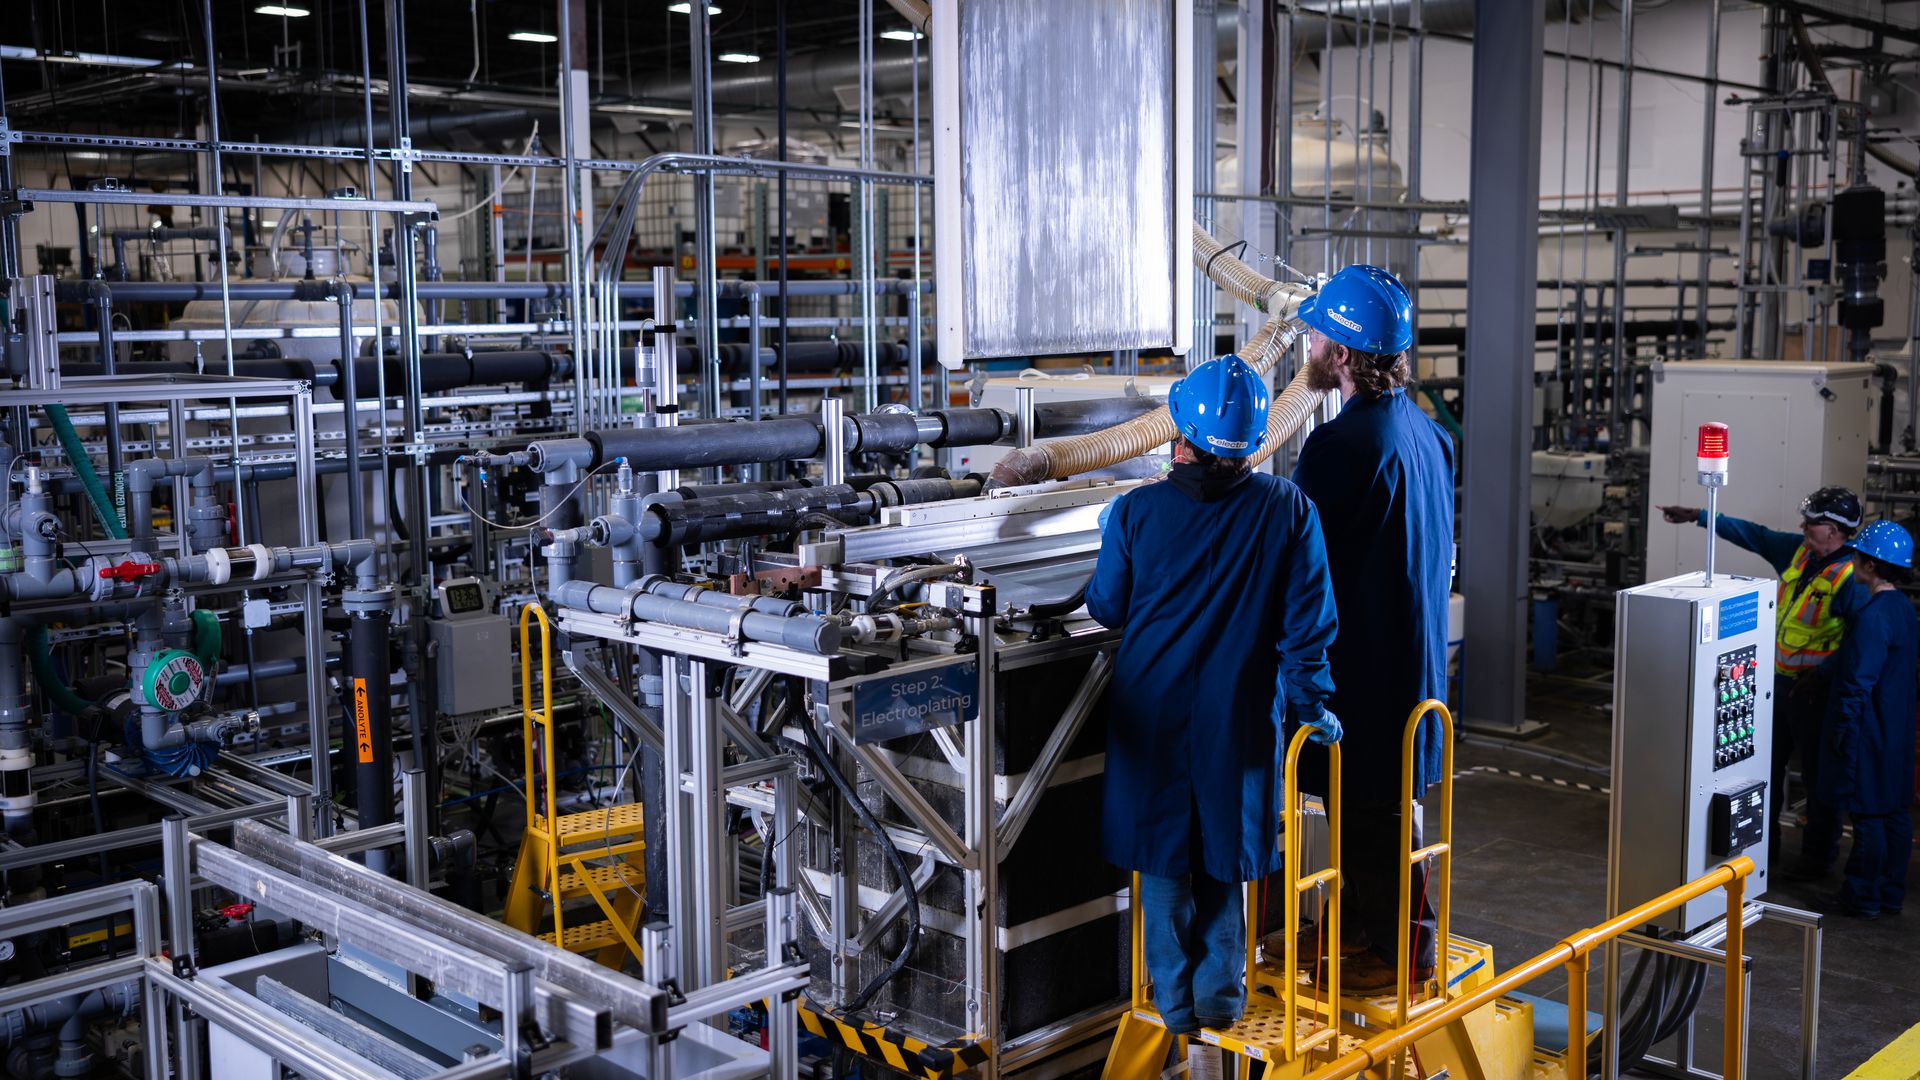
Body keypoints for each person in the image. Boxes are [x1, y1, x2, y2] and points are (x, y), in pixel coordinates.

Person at [1086, 354, 1341, 1041]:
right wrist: (1311, 706)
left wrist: (1116, 537)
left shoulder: (1136, 511)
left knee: (1164, 861)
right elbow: (1308, 626)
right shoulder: (1287, 508)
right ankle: (1220, 1001)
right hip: (1240, 715)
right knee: (1225, 858)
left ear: (1181, 436)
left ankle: (1175, 1008)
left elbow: (1106, 607)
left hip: (1151, 713)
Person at [1290, 264, 1455, 997]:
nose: (1310, 347)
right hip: (1417, 669)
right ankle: (1360, 930)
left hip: (1363, 677)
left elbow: (1302, 568)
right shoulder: (1426, 434)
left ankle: (1400, 955)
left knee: (1371, 820)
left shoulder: (1339, 447)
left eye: (1317, 337)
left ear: (1342, 354)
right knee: (1379, 815)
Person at [1657, 488, 1870, 876]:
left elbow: (1859, 643)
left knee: (1819, 779)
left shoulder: (1851, 578)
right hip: (1776, 687)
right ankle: (1762, 848)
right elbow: (1753, 535)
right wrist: (1699, 516)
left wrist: (1822, 675)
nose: (1803, 526)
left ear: (1835, 530)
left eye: (1813, 522)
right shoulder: (1798, 552)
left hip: (1816, 695)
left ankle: (1816, 860)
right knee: (1763, 769)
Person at [1815, 520, 1917, 919]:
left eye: (1857, 557)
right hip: (1897, 730)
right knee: (1894, 812)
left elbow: (1857, 681)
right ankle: (1889, 895)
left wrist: (1841, 729)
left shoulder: (1872, 616)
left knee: (1869, 814)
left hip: (1870, 731)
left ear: (1870, 565)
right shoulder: (1903, 609)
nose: (1852, 562)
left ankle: (1862, 896)